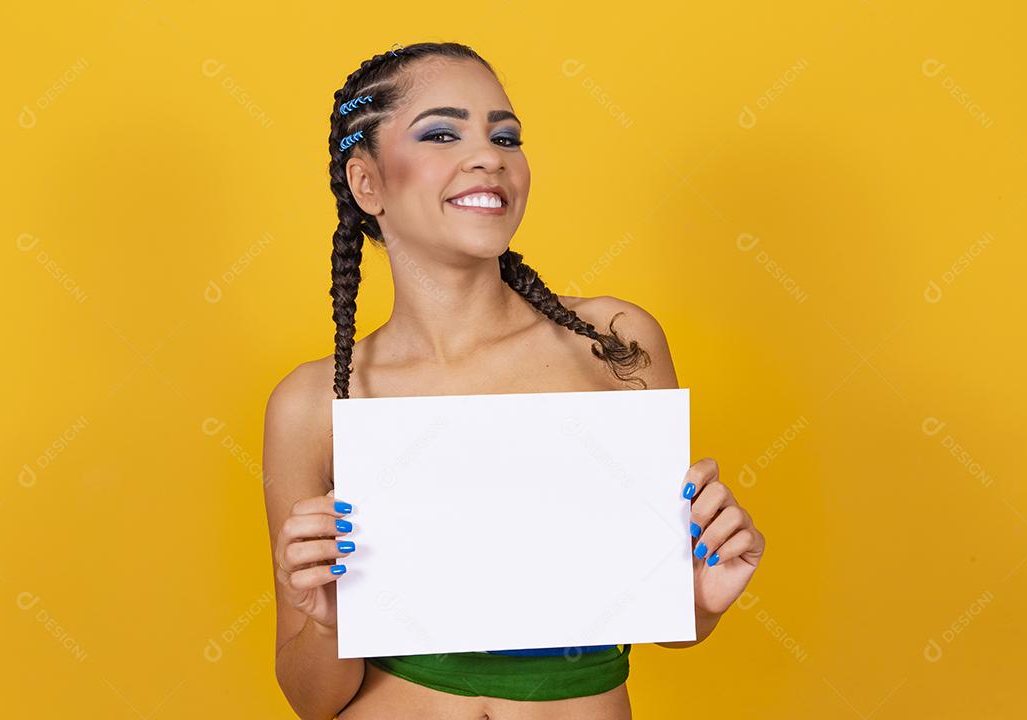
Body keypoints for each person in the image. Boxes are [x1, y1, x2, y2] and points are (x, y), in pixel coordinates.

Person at [262, 41, 766, 720]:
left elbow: (668, 618)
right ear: (367, 183)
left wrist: (702, 597)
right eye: (443, 133)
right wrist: (326, 621)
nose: (489, 156)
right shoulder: (312, 403)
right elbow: (309, 697)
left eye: (505, 136)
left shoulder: (614, 342)